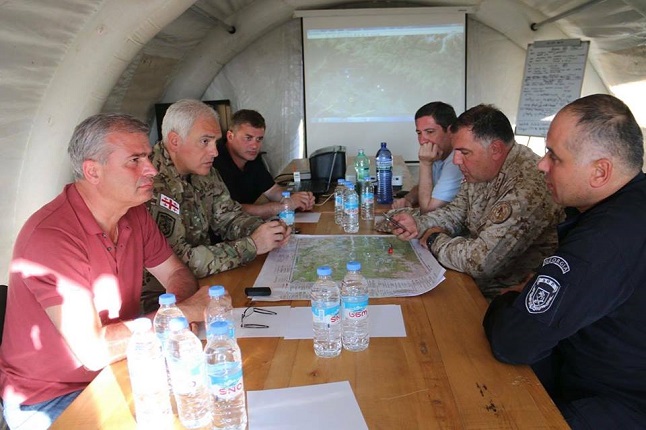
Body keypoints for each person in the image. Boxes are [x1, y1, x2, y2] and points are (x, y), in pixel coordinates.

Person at [0, 113, 203, 429]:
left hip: (120, 364)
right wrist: (180, 314)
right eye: (134, 160)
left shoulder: (133, 214)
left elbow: (177, 274)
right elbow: (93, 351)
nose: (151, 169)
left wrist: (173, 314)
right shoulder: (52, 237)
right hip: (51, 397)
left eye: (148, 157)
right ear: (92, 171)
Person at [483, 94, 646, 428]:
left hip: (615, 400)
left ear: (600, 172)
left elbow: (515, 341)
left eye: (554, 157)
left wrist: (509, 299)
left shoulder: (603, 240)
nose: (541, 165)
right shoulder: (630, 205)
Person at [392, 104, 563, 299]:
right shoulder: (482, 169)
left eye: (464, 152)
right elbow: (455, 212)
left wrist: (433, 239)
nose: (456, 160)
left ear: (495, 149)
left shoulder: (527, 186)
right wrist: (419, 225)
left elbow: (481, 262)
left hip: (504, 296)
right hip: (471, 281)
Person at [144, 100, 290, 309]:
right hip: (162, 302)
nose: (215, 152)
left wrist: (266, 230)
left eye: (215, 141)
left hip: (204, 282)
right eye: (205, 141)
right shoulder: (151, 184)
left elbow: (228, 216)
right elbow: (180, 262)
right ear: (175, 141)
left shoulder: (204, 171)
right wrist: (252, 245)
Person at [213, 109, 315, 219]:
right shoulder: (214, 161)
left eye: (259, 139)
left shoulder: (251, 157)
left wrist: (298, 199)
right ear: (230, 136)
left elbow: (272, 190)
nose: (254, 146)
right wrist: (284, 206)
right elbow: (230, 210)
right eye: (248, 138)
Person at [391, 101, 463, 214]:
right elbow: (424, 186)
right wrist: (408, 199)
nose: (422, 141)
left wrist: (425, 163)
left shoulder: (458, 160)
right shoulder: (438, 153)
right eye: (419, 133)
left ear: (450, 131)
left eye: (430, 132)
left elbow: (428, 209)